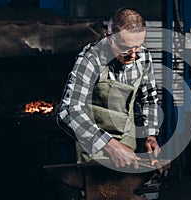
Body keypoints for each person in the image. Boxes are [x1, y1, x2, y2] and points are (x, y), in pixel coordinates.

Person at [56, 7, 161, 170]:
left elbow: (149, 99)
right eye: (126, 48)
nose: (133, 56)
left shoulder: (143, 57)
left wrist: (151, 134)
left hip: (128, 150)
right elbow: (68, 111)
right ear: (109, 38)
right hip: (94, 153)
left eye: (138, 47)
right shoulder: (91, 59)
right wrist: (111, 146)